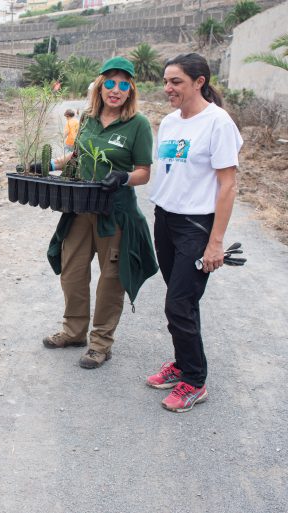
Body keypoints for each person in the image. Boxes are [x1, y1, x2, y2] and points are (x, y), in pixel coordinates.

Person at [44, 56, 158, 369]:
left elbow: (144, 172)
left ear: (131, 89)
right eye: (109, 82)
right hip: (81, 208)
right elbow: (76, 156)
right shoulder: (88, 118)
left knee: (110, 279)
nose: (115, 89)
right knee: (72, 271)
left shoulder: (138, 124)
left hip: (115, 212)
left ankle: (100, 343)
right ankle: (73, 331)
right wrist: (47, 164)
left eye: (123, 84)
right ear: (100, 86)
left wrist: (124, 177)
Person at [146, 53, 242, 413]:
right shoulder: (170, 122)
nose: (167, 88)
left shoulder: (218, 123)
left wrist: (215, 242)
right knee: (181, 301)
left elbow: (228, 186)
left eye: (176, 82)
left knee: (178, 304)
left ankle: (195, 380)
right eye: (166, 81)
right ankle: (183, 364)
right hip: (165, 219)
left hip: (196, 226)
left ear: (199, 82)